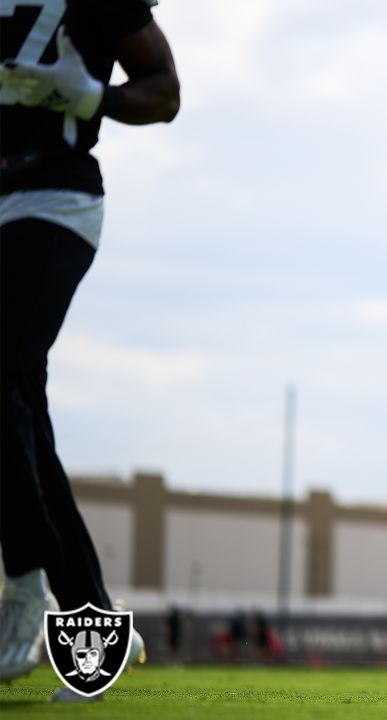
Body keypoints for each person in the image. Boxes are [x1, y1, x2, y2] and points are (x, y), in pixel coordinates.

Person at [0, 0, 179, 700]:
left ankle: (22, 587)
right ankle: (90, 613)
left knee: (3, 382)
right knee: (19, 414)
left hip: (55, 198)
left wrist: (94, 97)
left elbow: (164, 90)